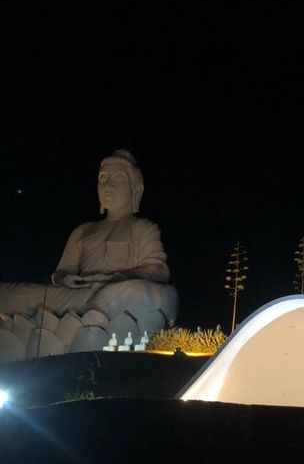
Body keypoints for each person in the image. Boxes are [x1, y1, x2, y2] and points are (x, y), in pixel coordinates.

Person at [0, 150, 178, 358]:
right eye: (103, 178)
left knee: (153, 294)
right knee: (7, 293)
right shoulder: (83, 231)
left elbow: (158, 271)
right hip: (78, 295)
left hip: (117, 293)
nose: (108, 186)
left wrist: (116, 277)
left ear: (135, 189)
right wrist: (65, 278)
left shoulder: (143, 228)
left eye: (118, 178)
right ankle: (86, 315)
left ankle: (90, 319)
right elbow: (59, 274)